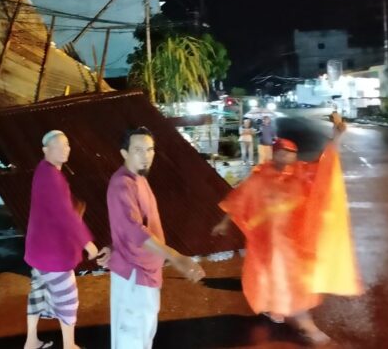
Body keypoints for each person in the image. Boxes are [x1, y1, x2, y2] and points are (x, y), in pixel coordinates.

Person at [212, 136, 363, 344]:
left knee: (292, 282)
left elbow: (324, 167)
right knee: (286, 282)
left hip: (296, 242)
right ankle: (303, 324)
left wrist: (336, 137)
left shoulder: (301, 172)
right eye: (282, 152)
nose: (287, 156)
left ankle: (293, 316)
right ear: (274, 153)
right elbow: (240, 198)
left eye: (291, 152)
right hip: (272, 244)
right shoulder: (260, 176)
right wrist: (224, 222)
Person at [103, 127, 205, 349]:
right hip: (134, 276)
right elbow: (135, 229)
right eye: (138, 150)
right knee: (132, 340)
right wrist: (176, 257)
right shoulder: (122, 184)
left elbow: (128, 225)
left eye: (150, 150)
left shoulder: (139, 178)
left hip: (146, 273)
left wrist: (114, 245)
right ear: (124, 153)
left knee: (143, 336)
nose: (146, 156)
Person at [23, 130, 106, 349]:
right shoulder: (52, 176)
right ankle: (69, 346)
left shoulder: (44, 171)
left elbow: (57, 209)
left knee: (38, 294)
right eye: (58, 145)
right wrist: (87, 242)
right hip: (53, 254)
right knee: (68, 299)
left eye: (67, 144)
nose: (64, 149)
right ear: (45, 150)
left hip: (38, 251)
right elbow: (64, 213)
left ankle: (31, 341)